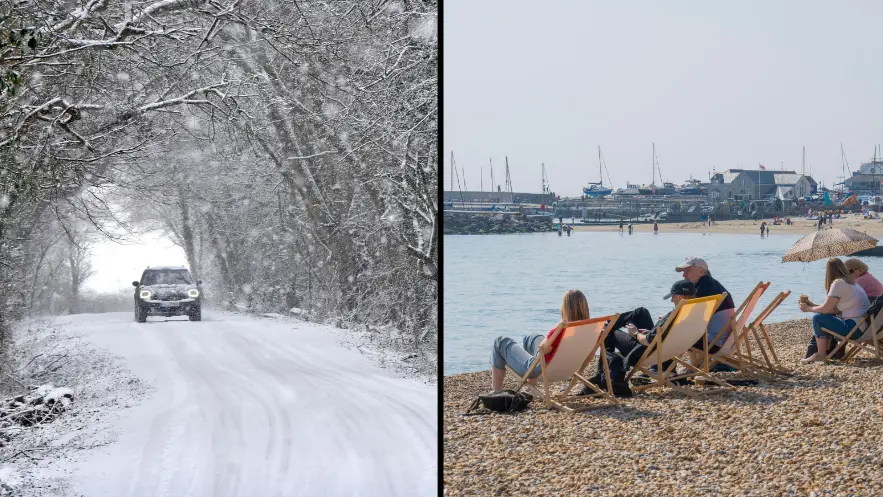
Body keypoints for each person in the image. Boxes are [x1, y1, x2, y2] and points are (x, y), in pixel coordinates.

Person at [579, 280, 700, 397]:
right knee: (641, 312)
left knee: (608, 332)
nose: (672, 300)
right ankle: (610, 322)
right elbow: (665, 336)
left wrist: (635, 333)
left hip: (649, 352)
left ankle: (605, 377)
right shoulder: (695, 313)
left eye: (673, 296)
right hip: (665, 348)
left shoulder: (673, 315)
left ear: (679, 297)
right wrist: (650, 332)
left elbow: (647, 341)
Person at [489, 290, 590, 392]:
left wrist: (558, 326)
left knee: (500, 342)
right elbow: (589, 357)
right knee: (532, 337)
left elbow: (543, 349)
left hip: (540, 370)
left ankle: (496, 391)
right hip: (567, 370)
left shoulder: (561, 329)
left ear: (565, 308)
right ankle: (530, 387)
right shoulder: (592, 330)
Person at [798, 257, 870, 363]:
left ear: (828, 272)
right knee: (823, 317)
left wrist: (808, 308)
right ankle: (826, 351)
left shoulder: (838, 283)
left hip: (854, 328)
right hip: (864, 327)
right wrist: (814, 305)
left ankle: (821, 354)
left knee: (818, 318)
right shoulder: (852, 283)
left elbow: (826, 309)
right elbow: (833, 310)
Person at [674, 257, 737, 368]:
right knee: (683, 330)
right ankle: (695, 365)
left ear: (701, 272)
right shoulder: (710, 284)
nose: (684, 275)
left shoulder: (704, 289)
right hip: (725, 340)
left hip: (714, 343)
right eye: (683, 271)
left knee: (677, 334)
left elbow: (689, 319)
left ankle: (688, 367)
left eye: (688, 270)